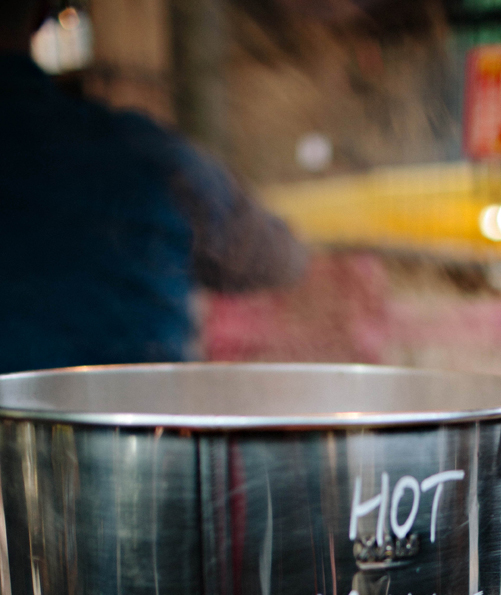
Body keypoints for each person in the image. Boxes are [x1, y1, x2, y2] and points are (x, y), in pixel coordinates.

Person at [0, 0, 305, 374]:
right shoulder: (146, 154)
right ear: (40, 14)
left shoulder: (150, 156)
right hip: (141, 427)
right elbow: (278, 259)